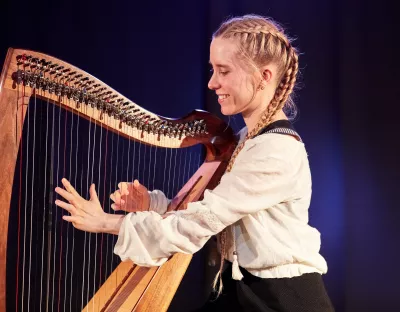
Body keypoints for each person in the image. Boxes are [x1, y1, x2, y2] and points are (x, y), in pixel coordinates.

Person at [55, 14, 334, 312]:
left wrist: (108, 223)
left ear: (264, 77)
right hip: (240, 290)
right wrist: (153, 205)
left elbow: (202, 221)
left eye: (223, 71)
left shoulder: (276, 151)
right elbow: (206, 209)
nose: (212, 83)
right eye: (213, 70)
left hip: (282, 300)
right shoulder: (244, 139)